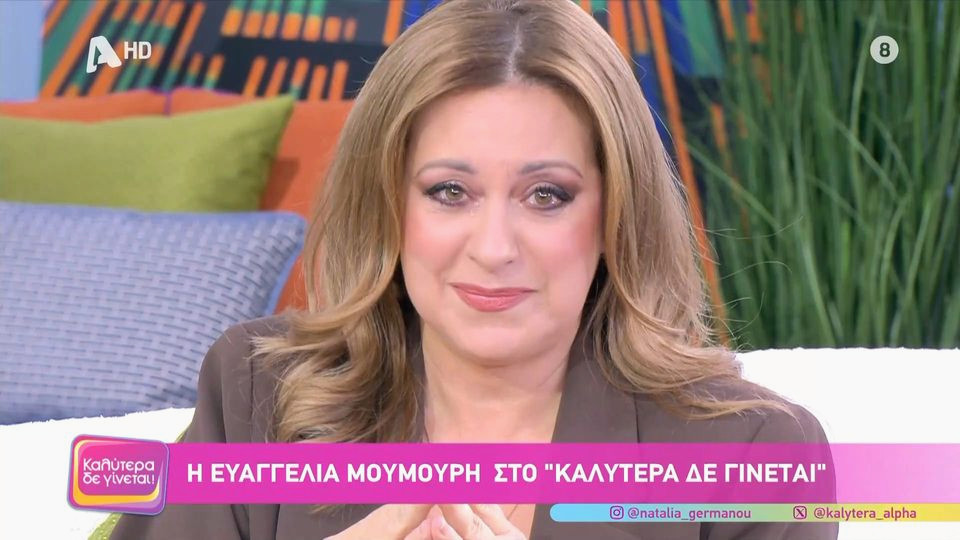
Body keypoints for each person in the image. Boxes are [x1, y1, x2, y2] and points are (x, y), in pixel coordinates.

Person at [110, 0, 837, 538]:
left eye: (546, 195)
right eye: (449, 192)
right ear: (390, 204)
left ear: (615, 214)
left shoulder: (754, 454)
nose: (493, 248)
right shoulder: (254, 393)